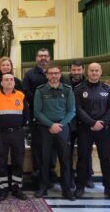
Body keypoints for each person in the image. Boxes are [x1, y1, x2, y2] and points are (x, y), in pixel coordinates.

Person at [74, 63, 110, 200]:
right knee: (82, 159)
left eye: (96, 70)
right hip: (85, 129)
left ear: (100, 72)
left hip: (103, 130)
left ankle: (109, 189)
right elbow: (78, 109)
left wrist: (102, 123)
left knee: (105, 159)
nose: (94, 73)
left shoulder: (107, 89)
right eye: (91, 70)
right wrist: (92, 123)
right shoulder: (79, 89)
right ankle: (80, 188)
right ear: (87, 72)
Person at [34, 64, 75, 201]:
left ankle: (66, 189)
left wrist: (60, 125)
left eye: (56, 73)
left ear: (60, 74)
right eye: (50, 73)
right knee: (45, 159)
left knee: (65, 160)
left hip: (63, 128)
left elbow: (71, 111)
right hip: (45, 128)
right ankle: (43, 187)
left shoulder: (68, 90)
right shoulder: (40, 90)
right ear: (46, 75)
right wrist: (51, 125)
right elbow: (37, 112)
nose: (53, 76)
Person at [0, 73, 29, 201]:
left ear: (14, 82)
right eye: (6, 80)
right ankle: (3, 189)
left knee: (18, 160)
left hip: (17, 133)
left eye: (11, 79)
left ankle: (16, 188)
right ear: (1, 83)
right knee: (0, 161)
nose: (9, 82)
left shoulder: (21, 95)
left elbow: (25, 115)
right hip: (1, 133)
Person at [65, 60, 95, 189]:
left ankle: (86, 177)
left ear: (83, 70)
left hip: (85, 122)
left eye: (79, 70)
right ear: (70, 70)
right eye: (74, 70)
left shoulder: (89, 84)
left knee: (85, 151)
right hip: (68, 122)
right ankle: (70, 178)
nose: (76, 72)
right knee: (67, 152)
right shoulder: (64, 83)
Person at [23, 48, 51, 181]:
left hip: (53, 116)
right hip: (36, 114)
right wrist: (40, 100)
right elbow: (26, 92)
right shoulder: (29, 75)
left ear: (49, 58)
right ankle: (37, 170)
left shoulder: (55, 73)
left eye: (45, 56)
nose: (43, 58)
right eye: (40, 56)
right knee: (37, 143)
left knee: (52, 144)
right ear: (36, 58)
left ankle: (50, 171)